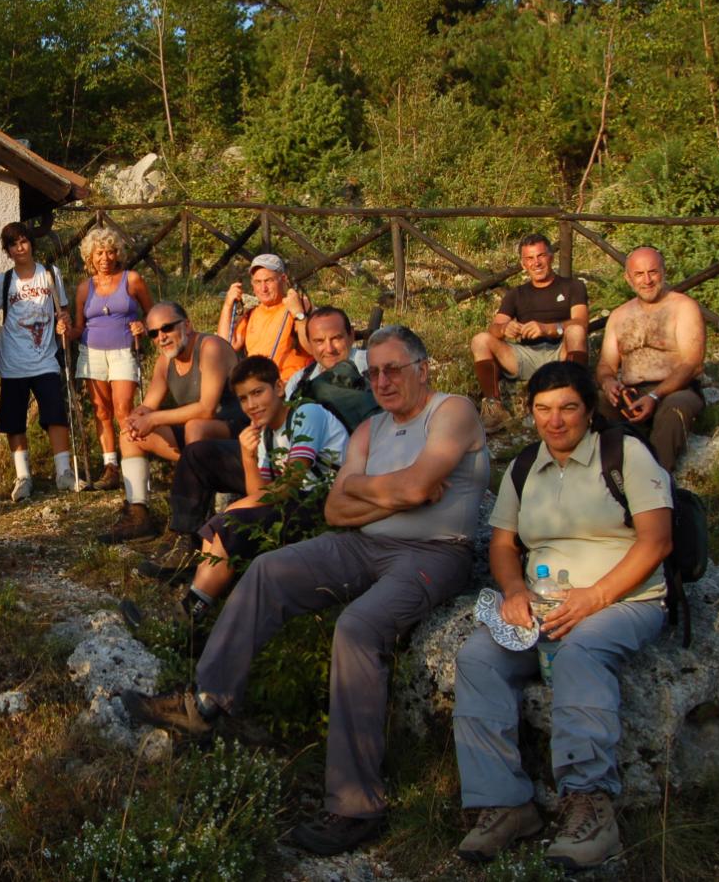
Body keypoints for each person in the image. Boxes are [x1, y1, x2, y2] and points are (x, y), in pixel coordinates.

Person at [123, 325, 489, 857]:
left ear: (423, 368)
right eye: (375, 372)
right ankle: (206, 699)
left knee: (358, 628)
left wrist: (379, 490)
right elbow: (341, 508)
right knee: (270, 569)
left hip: (434, 552)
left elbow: (410, 487)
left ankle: (355, 804)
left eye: (394, 369)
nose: (382, 381)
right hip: (361, 543)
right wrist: (399, 495)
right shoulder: (370, 430)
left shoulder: (452, 412)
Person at [452, 361, 672, 869]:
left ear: (589, 409)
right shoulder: (526, 465)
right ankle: (504, 805)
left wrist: (595, 598)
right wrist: (512, 590)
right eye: (543, 409)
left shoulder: (626, 454)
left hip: (625, 599)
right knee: (478, 657)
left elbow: (657, 540)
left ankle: (590, 805)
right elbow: (505, 543)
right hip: (542, 603)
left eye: (568, 407)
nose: (555, 421)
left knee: (580, 650)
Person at [168, 356, 349, 628]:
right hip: (296, 504)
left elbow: (291, 482)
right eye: (243, 399)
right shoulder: (265, 434)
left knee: (230, 523)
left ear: (278, 387)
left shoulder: (305, 414)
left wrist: (234, 509)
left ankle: (191, 614)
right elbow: (260, 492)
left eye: (257, 392)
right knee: (218, 528)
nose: (251, 405)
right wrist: (247, 456)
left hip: (325, 503)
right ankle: (198, 608)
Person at [101, 301, 243, 544]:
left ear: (187, 325)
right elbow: (149, 405)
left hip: (233, 434)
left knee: (195, 426)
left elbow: (207, 409)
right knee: (130, 435)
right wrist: (135, 419)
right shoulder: (165, 362)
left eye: (167, 328)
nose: (161, 337)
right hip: (195, 436)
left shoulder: (210, 347)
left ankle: (195, 522)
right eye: (154, 333)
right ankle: (138, 514)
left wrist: (153, 419)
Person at [595, 246, 706, 472]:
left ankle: (656, 480)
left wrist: (655, 395)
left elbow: (692, 364)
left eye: (653, 272)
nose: (647, 280)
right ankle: (604, 478)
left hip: (676, 389)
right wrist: (608, 383)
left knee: (674, 410)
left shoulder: (683, 308)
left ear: (663, 273)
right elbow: (606, 365)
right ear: (628, 279)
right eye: (639, 274)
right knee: (591, 404)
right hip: (632, 392)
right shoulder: (619, 316)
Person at [471, 233, 590, 433]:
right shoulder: (515, 294)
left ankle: (578, 399)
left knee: (576, 331)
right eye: (530, 258)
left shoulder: (573, 286)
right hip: (525, 356)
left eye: (541, 256)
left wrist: (549, 329)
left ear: (551, 257)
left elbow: (581, 322)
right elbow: (494, 328)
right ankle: (494, 406)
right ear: (523, 263)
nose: (536, 263)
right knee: (480, 340)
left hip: (560, 352)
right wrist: (504, 329)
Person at [0, 222, 75, 500]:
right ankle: (23, 476)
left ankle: (63, 472)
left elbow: (63, 311)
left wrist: (64, 320)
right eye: (14, 244)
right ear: (7, 250)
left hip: (46, 360)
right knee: (14, 421)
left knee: (55, 415)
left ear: (31, 244)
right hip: (13, 362)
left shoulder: (50, 274)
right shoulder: (3, 282)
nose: (20, 248)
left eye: (24, 241)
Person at [72, 227, 154, 492]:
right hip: (91, 352)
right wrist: (62, 325)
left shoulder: (132, 280)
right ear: (90, 257)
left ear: (117, 254)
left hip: (123, 351)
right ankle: (111, 468)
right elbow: (77, 328)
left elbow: (154, 316)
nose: (105, 258)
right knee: (101, 410)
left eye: (110, 251)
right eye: (99, 253)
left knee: (123, 407)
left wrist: (142, 326)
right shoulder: (85, 288)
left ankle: (133, 461)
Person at [218, 253, 312, 381]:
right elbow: (225, 346)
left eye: (269, 280)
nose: (263, 288)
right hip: (255, 383)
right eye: (257, 282)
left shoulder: (297, 305)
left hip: (287, 383)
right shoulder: (251, 312)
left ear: (283, 279)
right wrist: (228, 305)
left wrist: (299, 314)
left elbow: (313, 348)